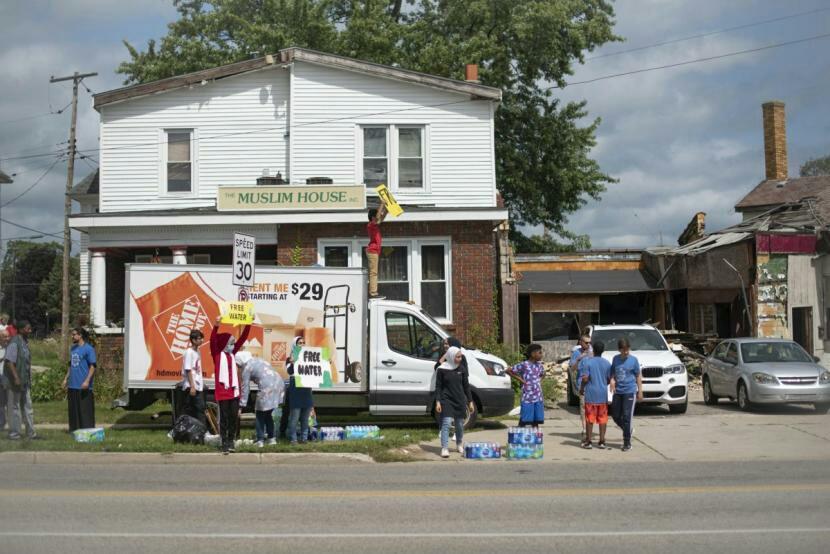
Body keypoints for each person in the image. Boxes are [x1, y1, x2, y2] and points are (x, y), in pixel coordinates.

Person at [210, 316, 251, 454]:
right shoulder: (217, 355)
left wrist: (248, 324)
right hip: (222, 392)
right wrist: (216, 326)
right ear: (224, 344)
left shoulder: (232, 354)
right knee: (224, 419)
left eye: (233, 343)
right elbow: (213, 341)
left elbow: (243, 339)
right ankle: (224, 442)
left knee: (234, 417)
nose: (233, 345)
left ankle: (231, 440)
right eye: (231, 343)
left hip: (234, 392)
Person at [236, 351, 285, 447]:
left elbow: (245, 388)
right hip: (279, 384)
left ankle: (260, 440)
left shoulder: (247, 368)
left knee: (259, 415)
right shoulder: (258, 360)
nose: (239, 368)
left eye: (238, 365)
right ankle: (272, 439)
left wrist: (241, 404)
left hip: (267, 388)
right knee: (267, 414)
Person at [435, 346, 473, 458]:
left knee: (459, 425)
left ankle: (459, 443)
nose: (460, 358)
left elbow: (466, 386)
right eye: (458, 357)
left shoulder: (462, 369)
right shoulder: (441, 369)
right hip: (446, 400)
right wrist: (438, 401)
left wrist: (470, 401)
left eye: (461, 356)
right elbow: (438, 387)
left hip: (460, 400)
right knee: (446, 422)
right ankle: (444, 448)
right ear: (451, 356)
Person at [577, 340, 612, 450]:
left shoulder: (588, 362)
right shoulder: (607, 363)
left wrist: (582, 388)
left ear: (594, 350)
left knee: (589, 419)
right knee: (603, 419)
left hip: (591, 395)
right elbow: (608, 379)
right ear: (603, 351)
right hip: (602, 395)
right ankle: (602, 441)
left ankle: (589, 441)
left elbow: (585, 378)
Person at [4, 320, 36, 440]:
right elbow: (9, 362)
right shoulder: (14, 342)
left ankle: (31, 433)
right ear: (21, 330)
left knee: (28, 407)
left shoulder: (24, 342)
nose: (30, 331)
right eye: (28, 329)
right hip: (15, 383)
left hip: (25, 382)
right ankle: (14, 434)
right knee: (15, 408)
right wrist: (16, 377)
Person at [610, 337, 642, 452]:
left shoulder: (634, 360)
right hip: (618, 391)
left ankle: (627, 442)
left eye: (628, 349)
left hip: (629, 391)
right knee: (615, 415)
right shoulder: (615, 359)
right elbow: (613, 372)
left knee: (627, 416)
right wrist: (612, 380)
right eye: (624, 350)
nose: (626, 352)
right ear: (619, 350)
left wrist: (640, 391)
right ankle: (628, 429)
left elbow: (638, 376)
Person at [64, 327, 97, 432]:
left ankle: (87, 431)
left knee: (85, 410)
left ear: (80, 335)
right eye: (72, 334)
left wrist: (87, 381)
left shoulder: (89, 349)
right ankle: (74, 430)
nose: (72, 336)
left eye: (74, 334)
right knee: (74, 410)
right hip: (73, 385)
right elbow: (71, 364)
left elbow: (93, 366)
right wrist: (66, 378)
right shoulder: (73, 348)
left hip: (83, 385)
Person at [507, 344, 545, 431]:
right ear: (533, 354)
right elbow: (509, 370)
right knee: (525, 418)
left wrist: (539, 381)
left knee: (536, 420)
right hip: (528, 396)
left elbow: (543, 373)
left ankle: (535, 440)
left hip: (538, 396)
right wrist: (522, 380)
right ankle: (519, 438)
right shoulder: (524, 364)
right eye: (540, 353)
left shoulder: (539, 365)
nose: (541, 355)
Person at [286, 336, 314, 445]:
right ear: (295, 345)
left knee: (305, 418)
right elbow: (289, 371)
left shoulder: (310, 356)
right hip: (296, 388)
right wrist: (293, 363)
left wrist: (325, 361)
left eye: (303, 342)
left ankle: (304, 438)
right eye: (299, 343)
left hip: (306, 389)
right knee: (295, 417)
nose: (302, 344)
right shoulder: (290, 358)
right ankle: (293, 439)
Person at [569, 334, 592, 442]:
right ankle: (584, 428)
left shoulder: (592, 352)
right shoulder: (576, 353)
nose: (588, 344)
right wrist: (578, 359)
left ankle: (589, 427)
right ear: (581, 342)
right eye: (586, 342)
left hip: (592, 385)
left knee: (591, 408)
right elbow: (572, 369)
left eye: (589, 342)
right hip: (581, 385)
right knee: (583, 408)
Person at [181, 329, 206, 426]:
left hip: (197, 385)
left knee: (195, 410)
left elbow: (197, 369)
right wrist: (192, 386)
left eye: (201, 338)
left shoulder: (197, 351)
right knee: (198, 409)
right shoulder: (189, 352)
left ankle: (197, 430)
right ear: (193, 340)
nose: (201, 340)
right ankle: (203, 431)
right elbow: (188, 369)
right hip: (191, 386)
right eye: (199, 339)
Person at [366, 203, 387, 299]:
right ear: (373, 217)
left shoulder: (375, 225)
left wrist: (387, 209)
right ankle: (373, 293)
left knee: (374, 272)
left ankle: (373, 292)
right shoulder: (371, 225)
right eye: (376, 217)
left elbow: (381, 217)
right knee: (373, 272)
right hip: (372, 251)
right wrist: (382, 204)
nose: (378, 218)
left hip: (374, 251)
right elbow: (379, 216)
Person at [0, 329, 9, 431]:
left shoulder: (11, 348)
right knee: (1, 403)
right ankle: (1, 424)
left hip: (7, 378)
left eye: (8, 336)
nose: (7, 338)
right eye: (5, 336)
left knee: (9, 403)